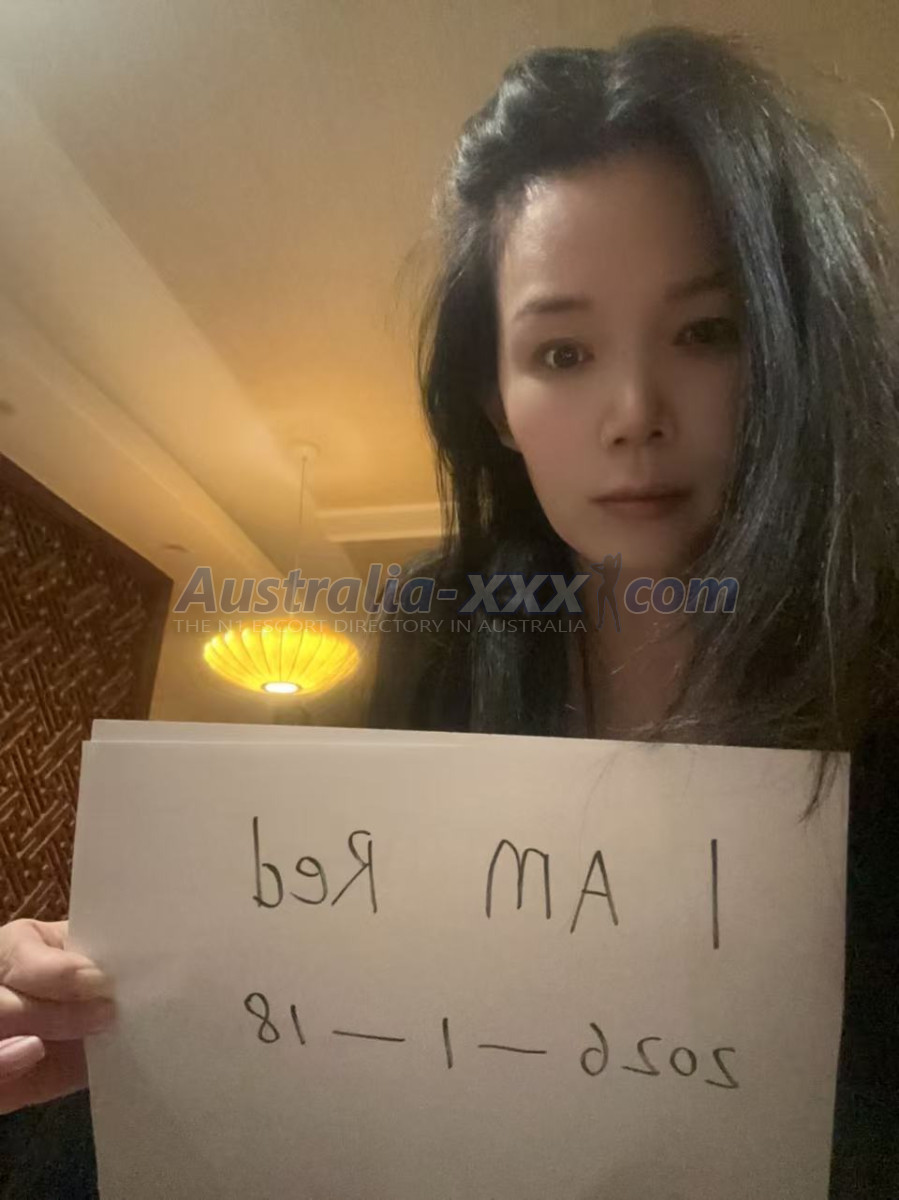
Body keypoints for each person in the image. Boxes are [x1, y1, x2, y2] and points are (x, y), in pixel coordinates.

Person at [1, 23, 896, 1199]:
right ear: (492, 398)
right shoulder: (439, 627)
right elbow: (331, 996)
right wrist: (99, 1003)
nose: (633, 411)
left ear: (789, 340)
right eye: (562, 353)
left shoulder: (873, 655)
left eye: (704, 333)